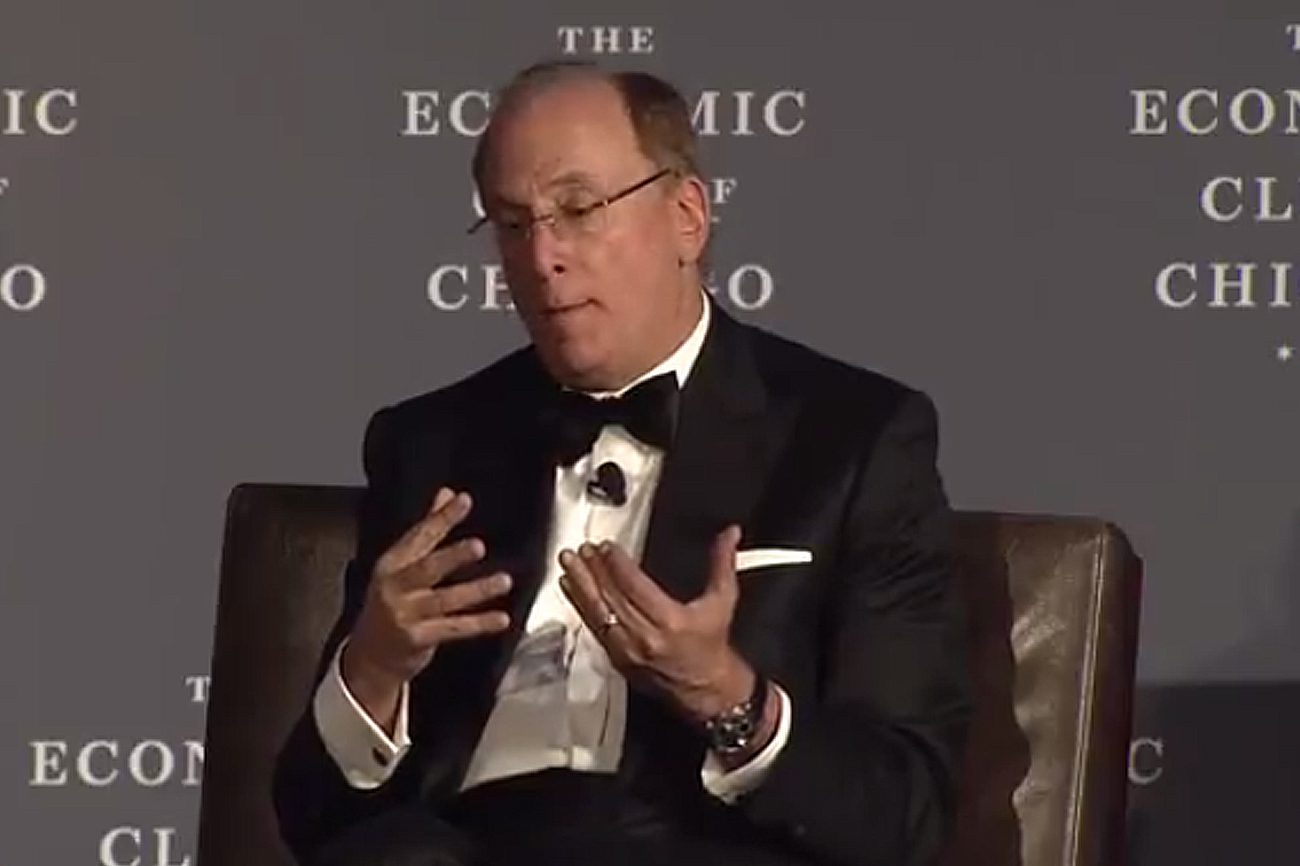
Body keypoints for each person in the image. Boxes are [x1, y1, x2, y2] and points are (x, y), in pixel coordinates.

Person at [273, 60, 971, 866]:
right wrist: (373, 668)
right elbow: (310, 819)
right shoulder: (429, 442)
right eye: (512, 223)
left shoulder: (854, 439)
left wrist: (727, 696)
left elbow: (903, 811)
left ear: (687, 217)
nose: (542, 256)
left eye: (577, 210)